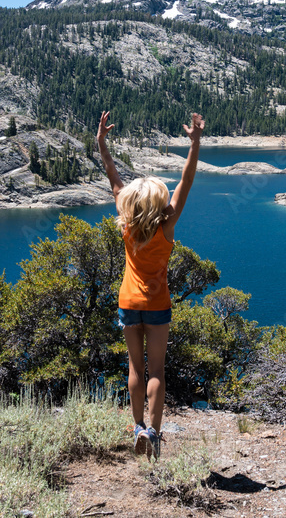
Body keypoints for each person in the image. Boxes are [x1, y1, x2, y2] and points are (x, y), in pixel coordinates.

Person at [96, 109, 204, 459]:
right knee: (156, 370)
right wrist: (195, 142)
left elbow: (114, 179)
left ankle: (138, 426)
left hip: (128, 302)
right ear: (159, 201)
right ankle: (154, 434)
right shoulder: (166, 225)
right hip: (157, 305)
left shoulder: (126, 223)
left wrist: (102, 145)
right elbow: (185, 183)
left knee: (134, 368)